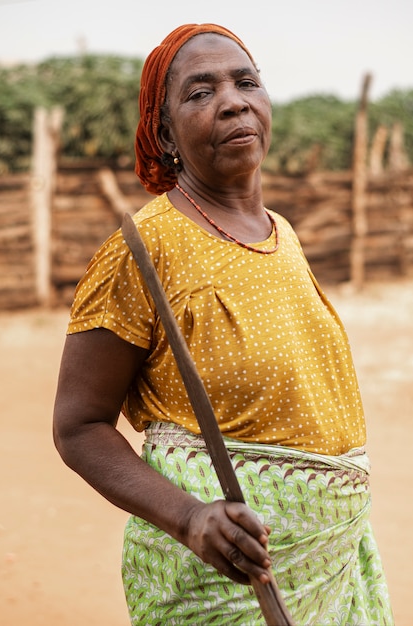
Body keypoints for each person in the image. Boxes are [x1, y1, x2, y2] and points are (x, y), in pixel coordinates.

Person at [53, 23, 394, 625]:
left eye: (246, 82)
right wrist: (189, 518)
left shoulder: (281, 232)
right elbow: (78, 427)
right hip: (223, 581)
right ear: (164, 134)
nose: (232, 100)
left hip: (328, 565)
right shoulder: (144, 248)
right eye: (199, 92)